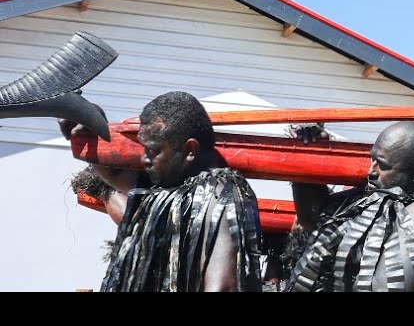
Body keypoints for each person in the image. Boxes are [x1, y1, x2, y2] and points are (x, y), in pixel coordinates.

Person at [60, 90, 263, 292]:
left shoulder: (221, 195)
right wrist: (90, 126)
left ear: (189, 150)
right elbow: (114, 173)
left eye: (153, 151)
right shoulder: (165, 192)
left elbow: (223, 288)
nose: (144, 160)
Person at [285, 120, 414, 292]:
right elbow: (313, 219)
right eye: (372, 159)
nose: (370, 171)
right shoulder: (368, 198)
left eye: (383, 165)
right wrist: (307, 153)